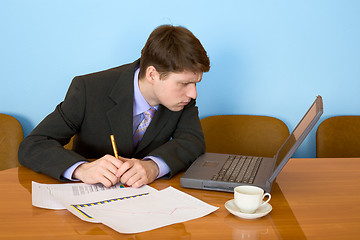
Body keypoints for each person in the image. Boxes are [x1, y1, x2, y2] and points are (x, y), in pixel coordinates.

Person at [18, 25, 210, 188]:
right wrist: (81, 169)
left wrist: (154, 166)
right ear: (152, 74)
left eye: (196, 84)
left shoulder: (183, 99)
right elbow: (34, 145)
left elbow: (192, 142)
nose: (193, 94)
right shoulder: (88, 90)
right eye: (184, 83)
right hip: (89, 204)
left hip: (148, 204)